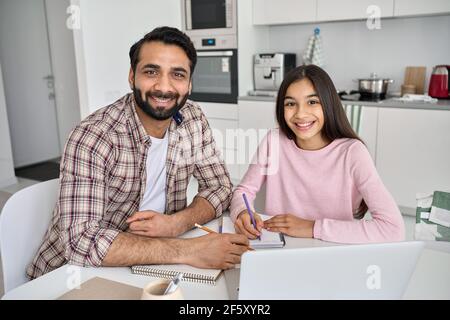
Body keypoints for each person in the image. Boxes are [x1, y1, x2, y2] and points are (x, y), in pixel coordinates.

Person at [27, 26, 249, 280]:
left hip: (152, 264)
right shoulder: (93, 136)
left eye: (177, 74)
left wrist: (177, 223)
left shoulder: (192, 118)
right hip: (72, 275)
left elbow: (220, 186)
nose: (163, 87)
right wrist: (189, 250)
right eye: (151, 71)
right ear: (132, 76)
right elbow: (80, 242)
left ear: (189, 84)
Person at [230, 65, 405, 243]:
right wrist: (242, 212)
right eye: (290, 104)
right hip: (280, 248)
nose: (300, 113)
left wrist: (312, 227)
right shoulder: (273, 141)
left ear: (328, 104)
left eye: (312, 102)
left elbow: (392, 229)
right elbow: (243, 191)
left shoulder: (352, 152)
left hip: (331, 250)